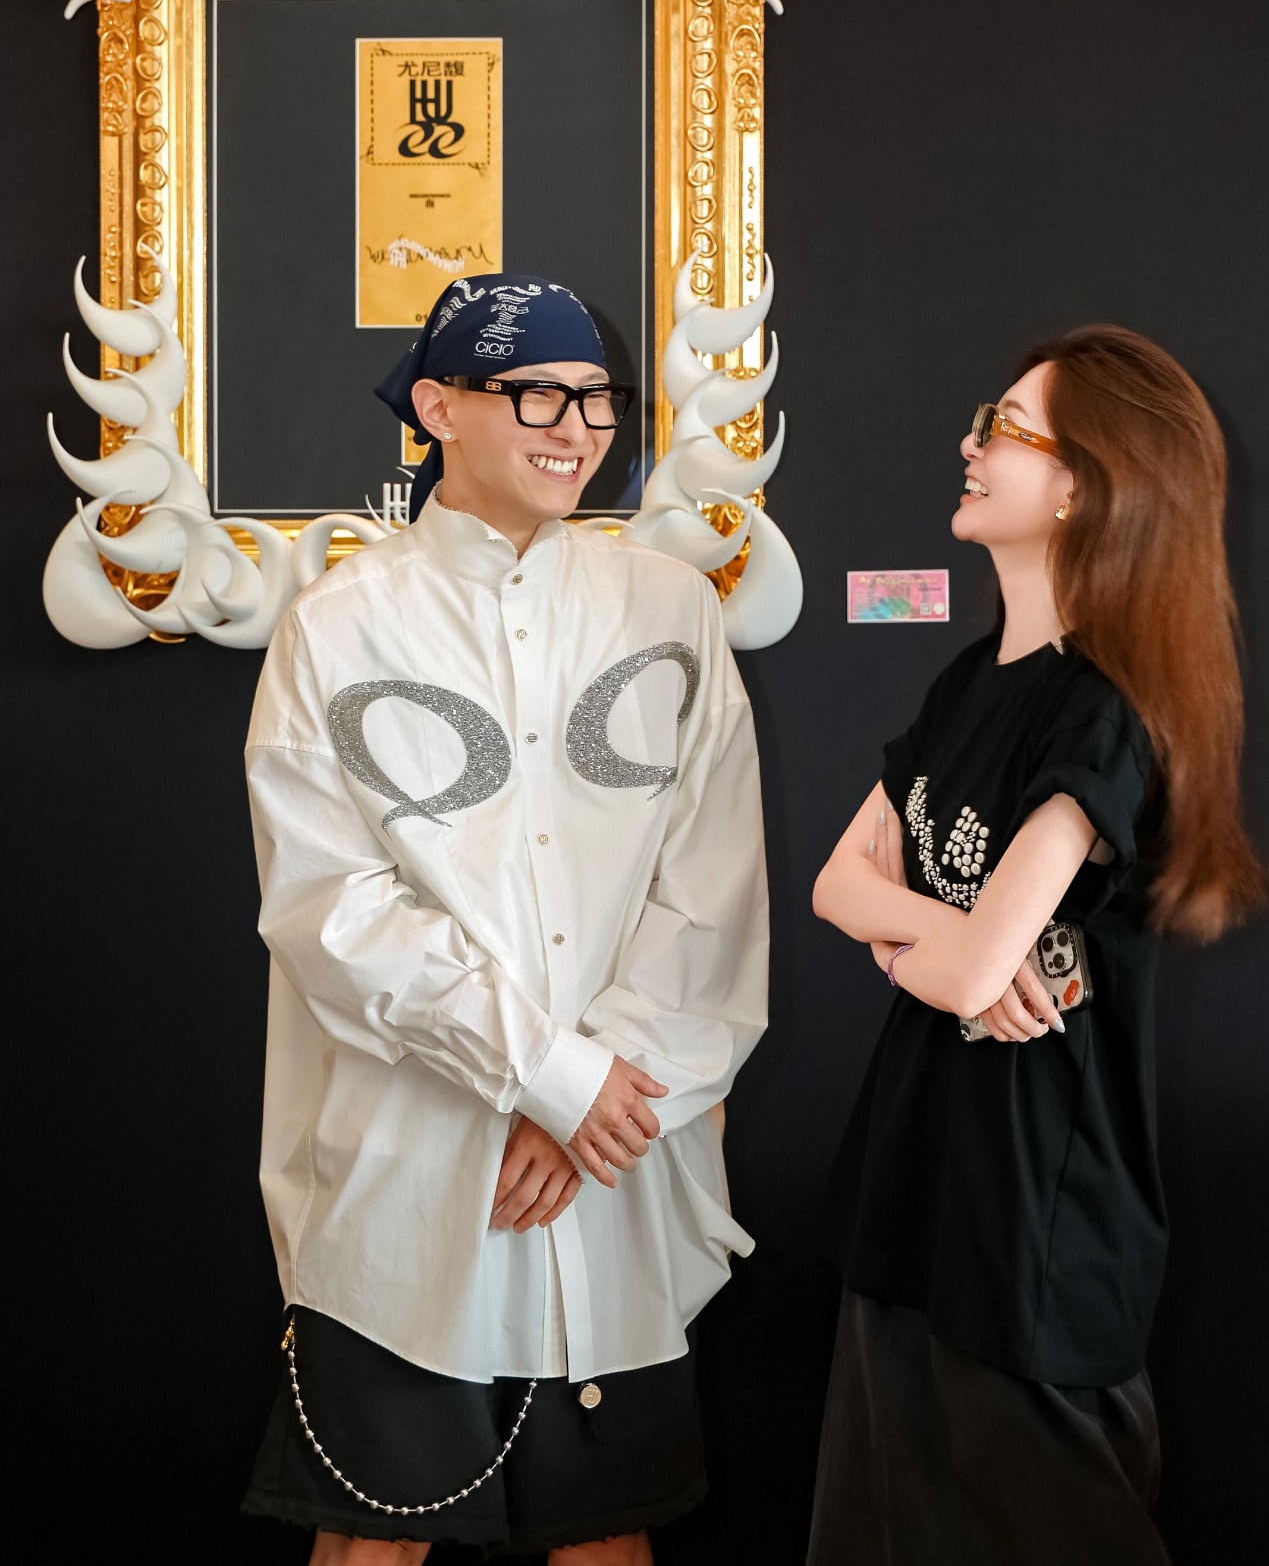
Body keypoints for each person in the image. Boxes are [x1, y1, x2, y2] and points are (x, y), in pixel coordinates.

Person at [241, 274, 769, 1565]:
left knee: (606, 1536)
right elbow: (330, 907)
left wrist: (595, 1097)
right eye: (535, 392)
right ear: (437, 408)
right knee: (372, 1539)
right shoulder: (337, 626)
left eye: (595, 397)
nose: (575, 426)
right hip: (412, 1168)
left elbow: (711, 889)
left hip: (617, 1164)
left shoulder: (671, 611)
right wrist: (547, 1074)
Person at [807, 326, 1262, 1566]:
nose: (969, 445)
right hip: (913, 1196)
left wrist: (920, 946)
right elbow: (835, 884)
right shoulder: (964, 686)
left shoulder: (1102, 708)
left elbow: (953, 963)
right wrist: (941, 946)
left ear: (1082, 484)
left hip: (1032, 1237)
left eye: (1002, 427)